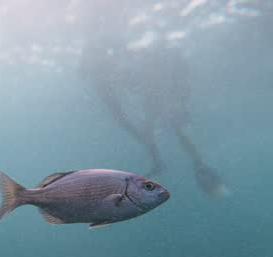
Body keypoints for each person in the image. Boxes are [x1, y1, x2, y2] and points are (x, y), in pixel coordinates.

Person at [79, 37, 229, 198]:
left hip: (155, 92)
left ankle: (186, 164)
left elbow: (134, 82)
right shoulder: (114, 68)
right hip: (152, 92)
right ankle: (185, 164)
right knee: (168, 126)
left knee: (169, 126)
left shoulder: (126, 64)